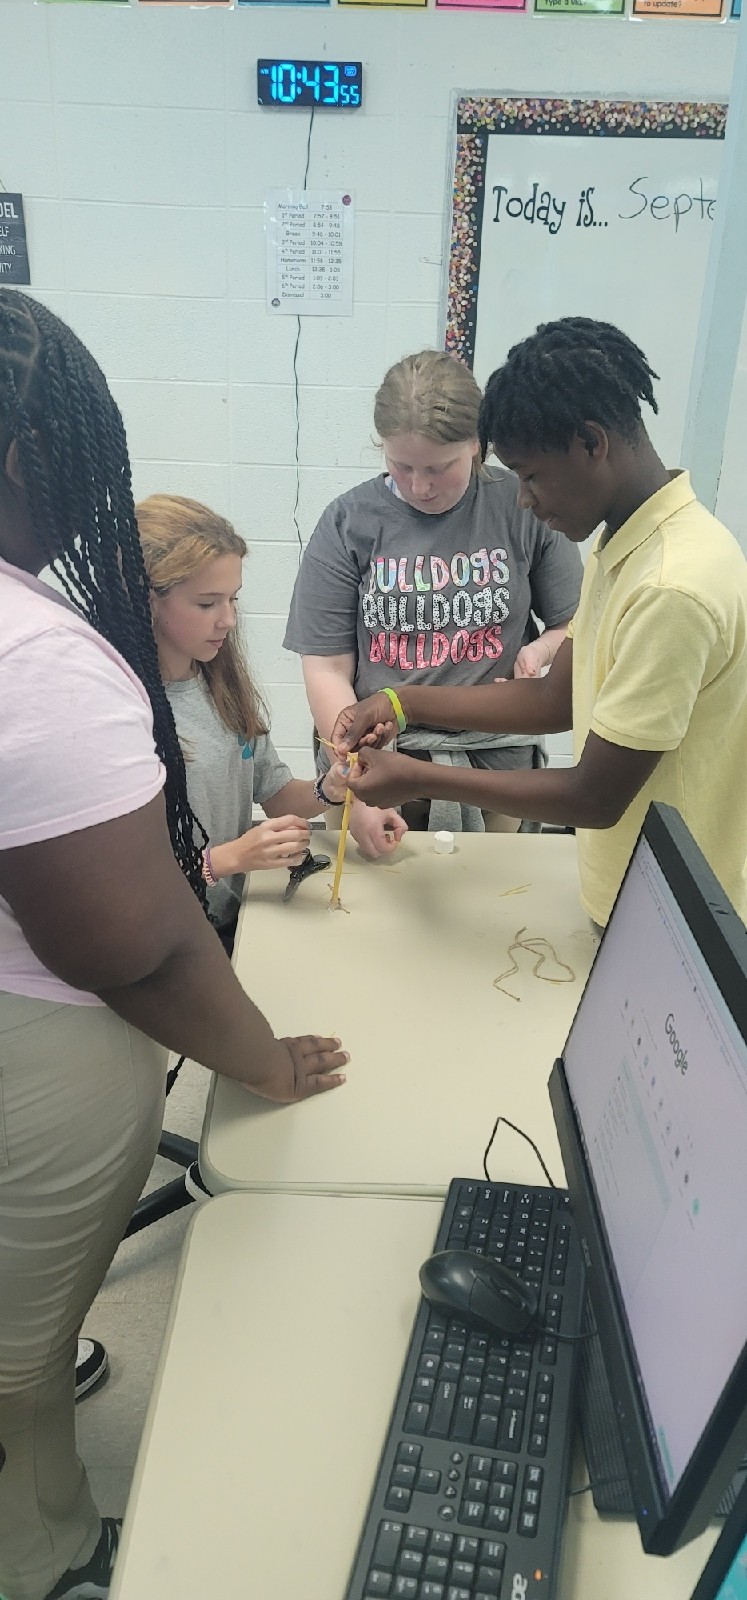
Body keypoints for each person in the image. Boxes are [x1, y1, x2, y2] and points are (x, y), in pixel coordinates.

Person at [0, 291, 347, 1600]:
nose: (220, 621)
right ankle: (41, 1558)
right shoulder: (47, 659)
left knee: (24, 1350)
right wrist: (260, 1061)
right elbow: (132, 947)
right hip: (51, 1041)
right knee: (13, 1363)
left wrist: (328, 804)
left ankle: (58, 1515)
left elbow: (254, 784)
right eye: (200, 601)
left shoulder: (194, 683)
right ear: (37, 454)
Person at [331, 317, 747, 929]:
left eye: (529, 476)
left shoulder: (671, 586)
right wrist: (401, 701)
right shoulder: (627, 544)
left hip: (677, 912)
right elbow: (558, 699)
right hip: (627, 890)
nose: (523, 500)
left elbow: (592, 797)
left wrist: (417, 776)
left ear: (591, 443)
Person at [284, 349, 582, 854]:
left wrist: (544, 650)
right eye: (401, 465)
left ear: (477, 445)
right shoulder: (348, 522)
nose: (419, 486)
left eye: (439, 468)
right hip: (379, 763)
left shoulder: (523, 505)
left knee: (492, 909)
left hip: (495, 767)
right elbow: (327, 669)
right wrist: (355, 777)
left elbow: (575, 622)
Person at [136, 494, 349, 944]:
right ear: (148, 599)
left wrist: (328, 787)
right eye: (207, 604)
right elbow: (124, 889)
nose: (229, 619)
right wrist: (227, 859)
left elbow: (275, 795)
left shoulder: (222, 686)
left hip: (228, 922)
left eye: (232, 599)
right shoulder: (128, 712)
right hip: (167, 940)